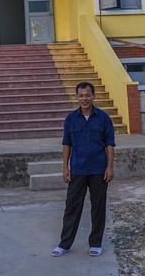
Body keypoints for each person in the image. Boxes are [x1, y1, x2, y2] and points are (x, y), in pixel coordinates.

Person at [51, 81, 115, 258]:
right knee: (72, 207)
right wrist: (65, 167)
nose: (84, 98)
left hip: (98, 169)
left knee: (98, 207)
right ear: (77, 97)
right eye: (81, 95)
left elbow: (109, 144)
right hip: (78, 169)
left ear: (93, 96)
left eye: (87, 95)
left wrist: (110, 167)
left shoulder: (103, 118)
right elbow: (67, 144)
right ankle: (65, 244)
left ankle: (95, 243)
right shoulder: (71, 119)